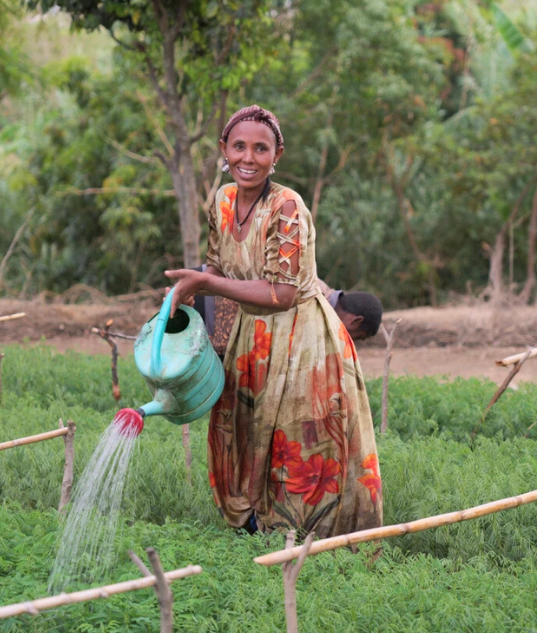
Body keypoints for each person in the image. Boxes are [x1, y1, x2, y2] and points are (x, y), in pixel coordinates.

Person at [164, 105, 383, 538]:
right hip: (252, 338)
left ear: (277, 153)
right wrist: (185, 296)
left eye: (260, 148)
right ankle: (256, 533)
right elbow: (218, 273)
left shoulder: (287, 206)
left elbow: (281, 293)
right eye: (239, 146)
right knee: (241, 434)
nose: (249, 157)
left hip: (303, 341)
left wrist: (206, 282)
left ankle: (312, 548)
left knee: (299, 446)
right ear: (224, 150)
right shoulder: (222, 201)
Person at [195, 282, 382, 358]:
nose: (350, 343)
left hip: (209, 290)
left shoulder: (320, 291)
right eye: (357, 337)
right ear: (355, 321)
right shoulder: (317, 307)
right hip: (209, 305)